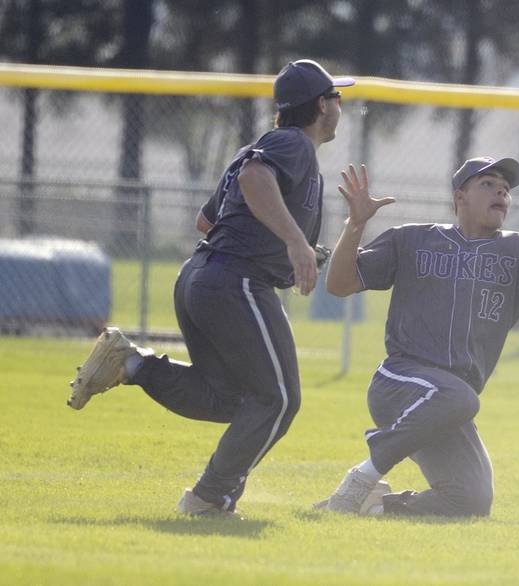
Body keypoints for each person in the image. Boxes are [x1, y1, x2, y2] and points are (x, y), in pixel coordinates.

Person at [67, 59, 355, 516]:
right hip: (235, 282)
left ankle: (134, 365)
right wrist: (295, 242)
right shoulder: (293, 143)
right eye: (337, 96)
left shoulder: (260, 146)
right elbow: (253, 180)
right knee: (278, 400)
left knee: (233, 398)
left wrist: (292, 243)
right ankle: (209, 497)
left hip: (201, 276)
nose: (342, 104)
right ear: (322, 105)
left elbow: (208, 220)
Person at [320, 156, 519, 517]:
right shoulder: (412, 239)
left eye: (506, 188)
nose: (501, 191)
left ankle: (373, 506)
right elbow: (339, 284)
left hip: (450, 402)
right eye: (488, 183)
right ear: (460, 196)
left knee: (470, 499)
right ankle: (360, 479)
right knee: (462, 398)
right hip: (401, 382)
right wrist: (355, 225)